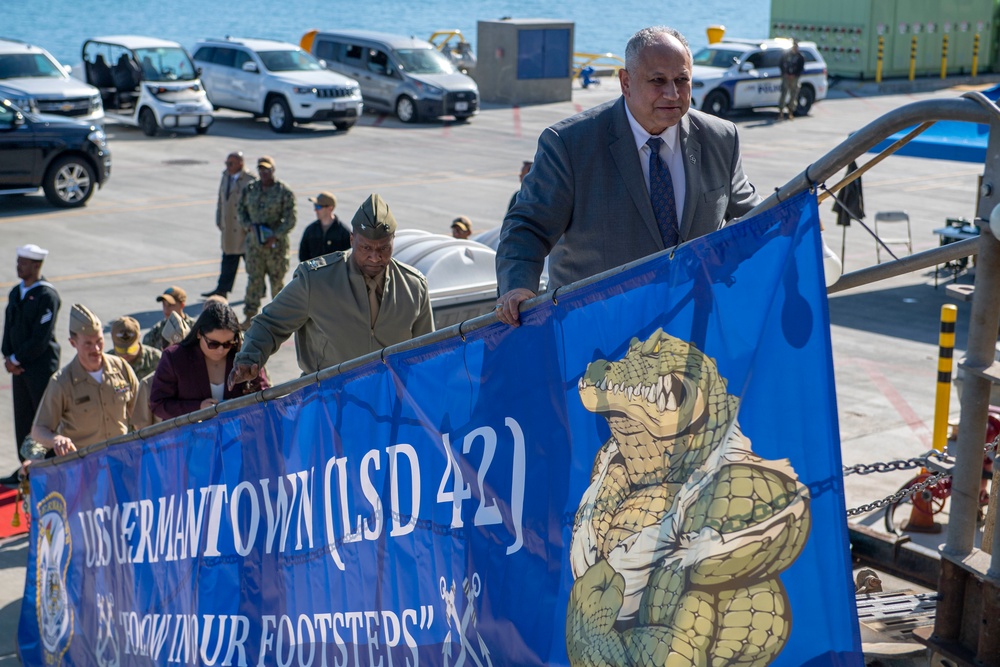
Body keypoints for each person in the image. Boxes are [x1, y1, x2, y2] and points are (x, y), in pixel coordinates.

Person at [495, 26, 761, 326]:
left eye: (682, 80)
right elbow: (528, 227)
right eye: (658, 80)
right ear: (625, 82)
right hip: (597, 339)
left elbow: (754, 217)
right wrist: (518, 287)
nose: (672, 93)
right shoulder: (569, 144)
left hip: (693, 330)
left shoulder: (721, 138)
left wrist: (795, 216)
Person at [229, 193, 434, 386]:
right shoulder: (316, 281)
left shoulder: (414, 287)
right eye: (366, 248)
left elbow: (427, 352)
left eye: (383, 248)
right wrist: (249, 357)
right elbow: (270, 324)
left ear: (393, 240)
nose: (375, 257)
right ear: (352, 239)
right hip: (328, 404)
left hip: (390, 402)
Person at [31, 305, 138, 458]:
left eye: (99, 341)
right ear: (73, 343)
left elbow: (142, 414)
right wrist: (56, 439)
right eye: (88, 343)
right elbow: (39, 430)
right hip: (84, 468)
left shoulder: (121, 368)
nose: (96, 349)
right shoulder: (62, 382)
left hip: (121, 461)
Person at [150, 301, 269, 420]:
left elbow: (264, 395)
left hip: (239, 433)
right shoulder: (174, 357)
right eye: (213, 344)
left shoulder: (245, 356)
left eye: (228, 344)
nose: (220, 350)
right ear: (198, 334)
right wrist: (198, 408)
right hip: (192, 436)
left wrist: (240, 405)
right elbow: (158, 404)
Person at [2, 244, 60, 485]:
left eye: (23, 262)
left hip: (39, 369)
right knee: (23, 418)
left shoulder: (47, 296)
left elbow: (41, 336)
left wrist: (17, 359)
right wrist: (7, 356)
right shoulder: (17, 292)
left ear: (36, 266)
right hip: (19, 368)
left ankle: (46, 465)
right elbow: (8, 328)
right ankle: (25, 466)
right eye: (18, 261)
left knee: (42, 419)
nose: (18, 266)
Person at [238, 155, 296, 329]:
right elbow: (241, 211)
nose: (264, 173)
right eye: (261, 170)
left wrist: (275, 234)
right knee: (253, 280)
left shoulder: (283, 191)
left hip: (275, 246)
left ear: (273, 170)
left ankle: (280, 318)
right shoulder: (250, 189)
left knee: (277, 282)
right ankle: (250, 316)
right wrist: (248, 226)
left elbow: (291, 219)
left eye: (267, 170)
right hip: (255, 245)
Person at [203, 151, 256, 298]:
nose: (228, 166)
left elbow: (254, 205)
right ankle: (222, 290)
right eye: (226, 163)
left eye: (231, 163)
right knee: (228, 260)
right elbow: (221, 200)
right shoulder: (226, 176)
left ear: (241, 163)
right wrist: (219, 219)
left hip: (243, 230)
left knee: (252, 264)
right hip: (228, 229)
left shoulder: (250, 180)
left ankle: (258, 289)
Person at [298, 191, 351, 262]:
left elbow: (349, 257)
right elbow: (303, 255)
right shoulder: (310, 230)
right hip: (315, 272)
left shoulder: (343, 232)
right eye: (315, 206)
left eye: (318, 207)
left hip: (336, 272)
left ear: (330, 208)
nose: (315, 210)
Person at [142, 286, 196, 350]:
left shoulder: (194, 328)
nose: (166, 309)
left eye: (170, 305)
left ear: (182, 305)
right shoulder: (157, 330)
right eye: (164, 304)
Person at [108, 316, 160, 380]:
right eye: (121, 350)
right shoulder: (106, 363)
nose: (125, 354)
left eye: (131, 349)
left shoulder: (156, 359)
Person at [778, 40, 806, 121]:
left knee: (793, 95)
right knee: (783, 93)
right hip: (786, 76)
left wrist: (794, 75)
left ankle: (791, 112)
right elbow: (781, 64)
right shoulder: (786, 55)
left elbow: (801, 68)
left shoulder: (800, 57)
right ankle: (781, 112)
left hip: (794, 77)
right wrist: (785, 73)